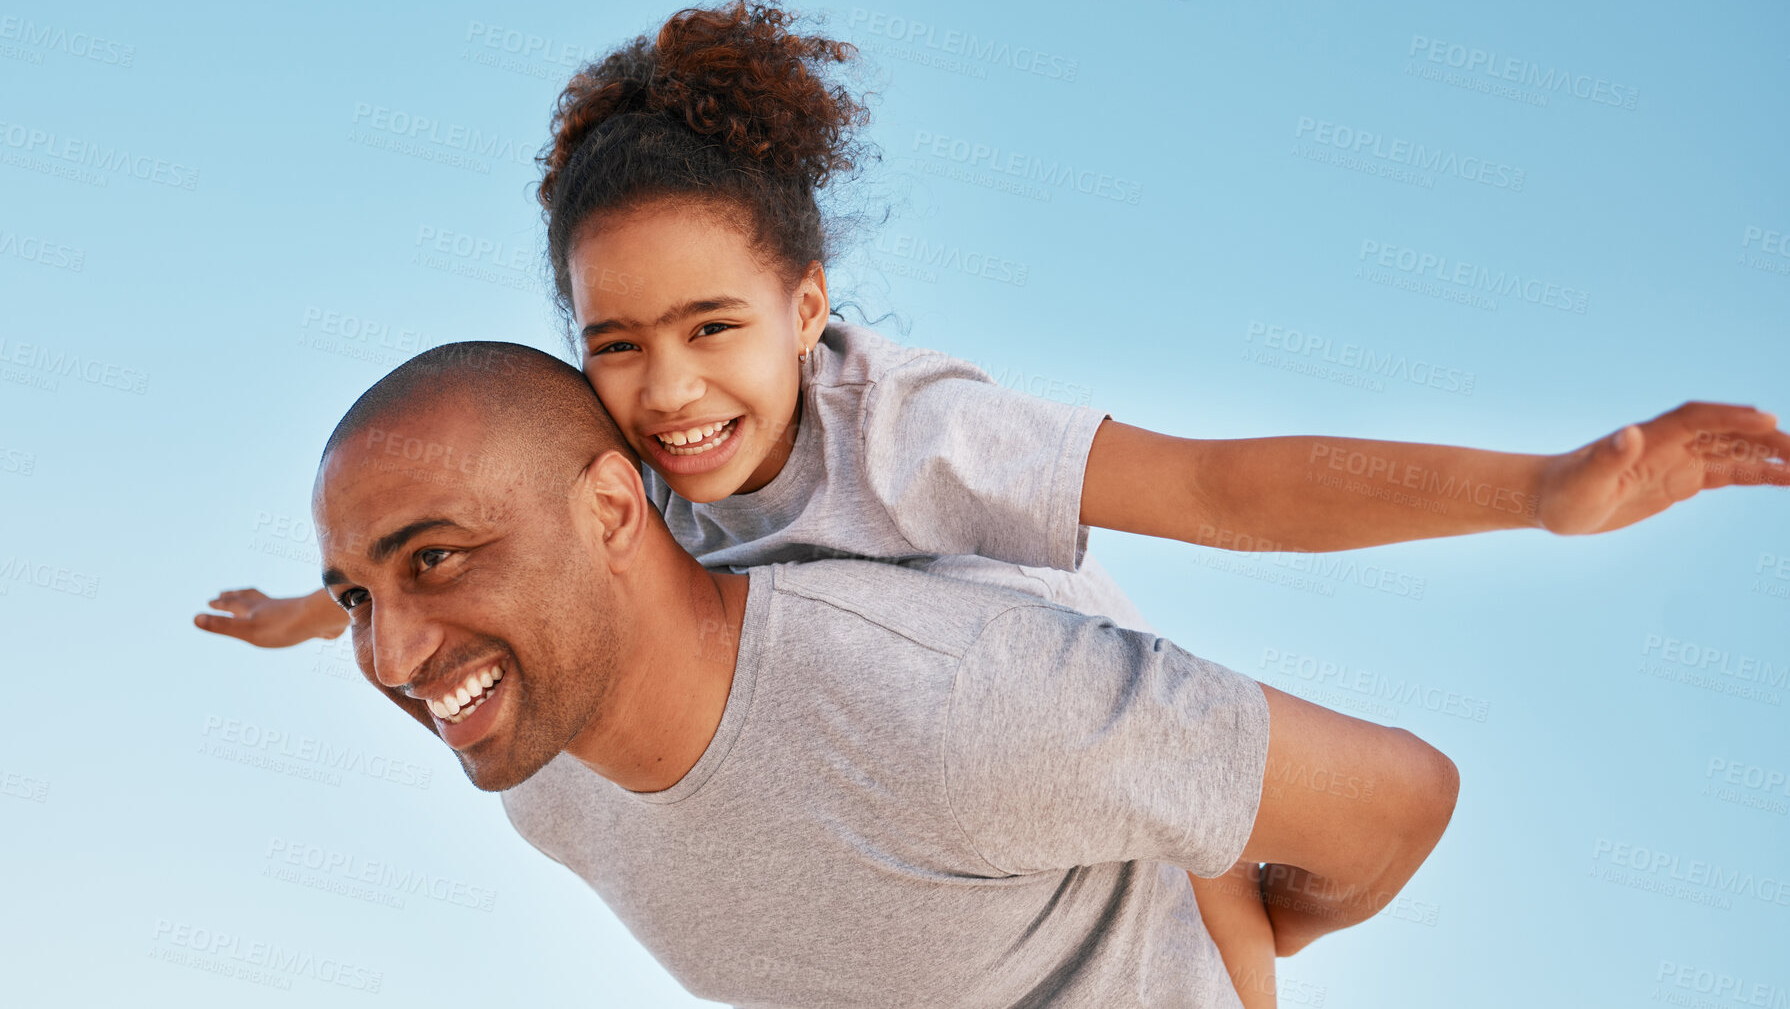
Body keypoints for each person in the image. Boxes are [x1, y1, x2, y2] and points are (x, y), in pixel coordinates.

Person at [199, 0, 1789, 1005]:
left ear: (807, 310)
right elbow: (477, 537)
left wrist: (1542, 490)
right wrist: (321, 606)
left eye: (712, 332)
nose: (673, 394)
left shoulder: (908, 436)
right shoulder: (612, 506)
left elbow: (1215, 488)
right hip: (930, 793)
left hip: (1076, 720)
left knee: (1215, 910)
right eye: (617, 345)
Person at [311, 340, 1460, 1009]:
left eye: (437, 558)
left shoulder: (957, 703)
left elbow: (1399, 796)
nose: (394, 654)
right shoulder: (544, 772)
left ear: (614, 506)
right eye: (360, 596)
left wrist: (1251, 921)